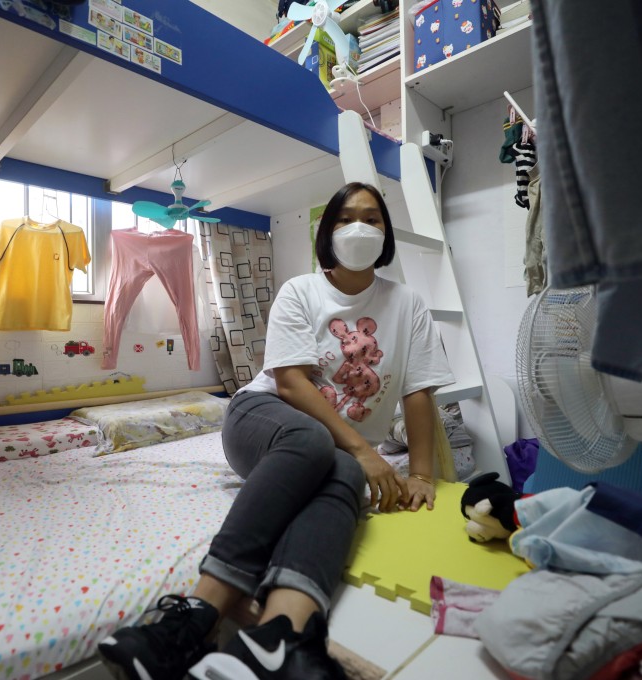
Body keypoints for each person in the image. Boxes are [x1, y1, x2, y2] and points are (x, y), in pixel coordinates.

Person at [98, 182, 454, 679]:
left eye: (372, 218)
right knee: (318, 443)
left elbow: (418, 391)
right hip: (261, 418)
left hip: (330, 450)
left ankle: (277, 638)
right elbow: (290, 383)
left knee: (345, 475)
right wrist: (363, 449)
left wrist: (420, 473)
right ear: (327, 232)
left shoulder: (408, 303)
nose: (360, 227)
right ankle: (193, 618)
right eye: (346, 218)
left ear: (386, 232)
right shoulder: (302, 290)